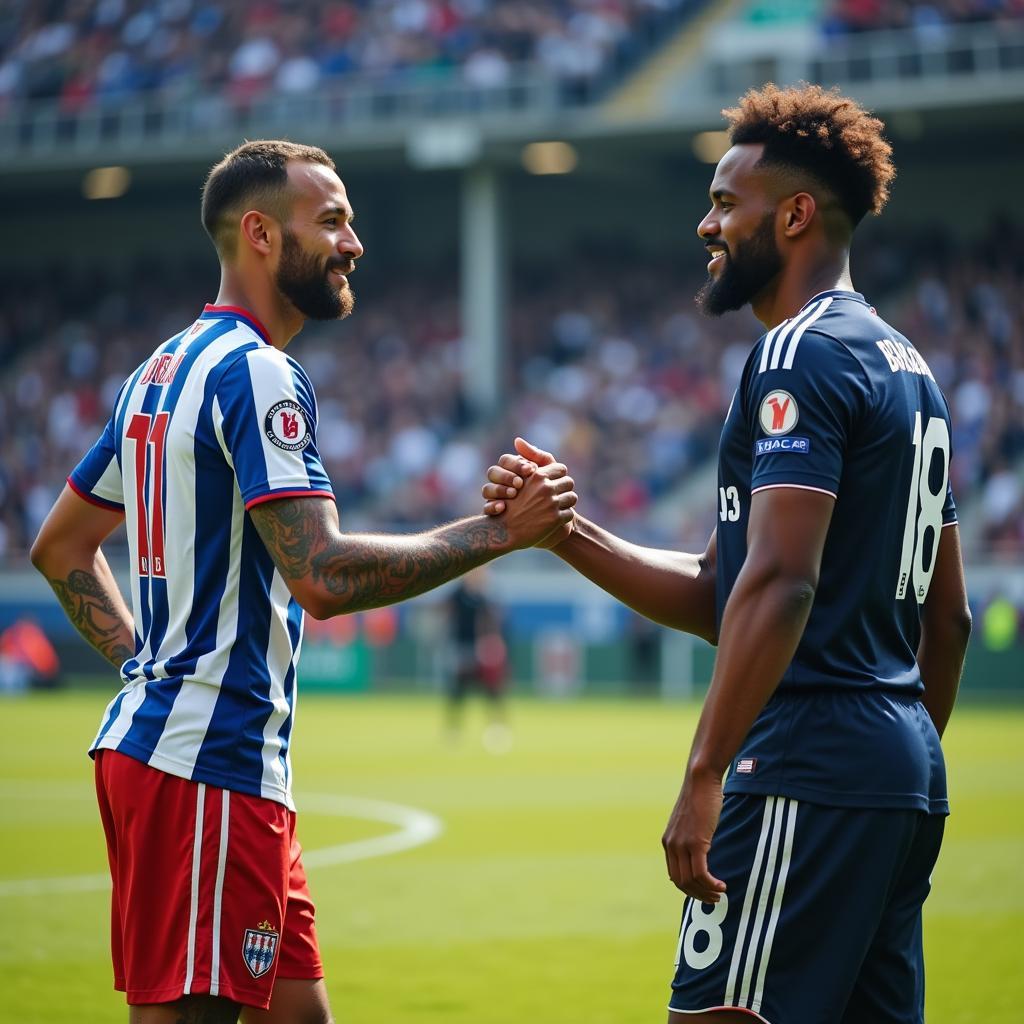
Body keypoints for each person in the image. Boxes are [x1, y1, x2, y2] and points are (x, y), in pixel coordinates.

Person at [28, 139, 576, 1024]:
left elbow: (59, 548)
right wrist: (500, 532)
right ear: (259, 234)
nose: (354, 243)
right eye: (331, 222)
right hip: (207, 765)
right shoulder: (258, 371)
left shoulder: (158, 372)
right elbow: (320, 575)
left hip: (204, 757)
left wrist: (148, 665)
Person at [483, 83, 971, 1023]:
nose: (705, 224)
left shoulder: (797, 352)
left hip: (802, 760)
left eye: (722, 202)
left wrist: (706, 772)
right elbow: (914, 613)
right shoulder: (908, 365)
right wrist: (564, 532)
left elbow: (783, 582)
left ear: (793, 215)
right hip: (899, 773)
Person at [443, 565, 511, 751]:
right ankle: (454, 730)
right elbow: (445, 613)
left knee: (492, 691)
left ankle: (497, 728)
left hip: (483, 650)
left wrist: (493, 645)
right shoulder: (457, 595)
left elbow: (495, 623)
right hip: (463, 648)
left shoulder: (485, 598)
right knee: (458, 690)